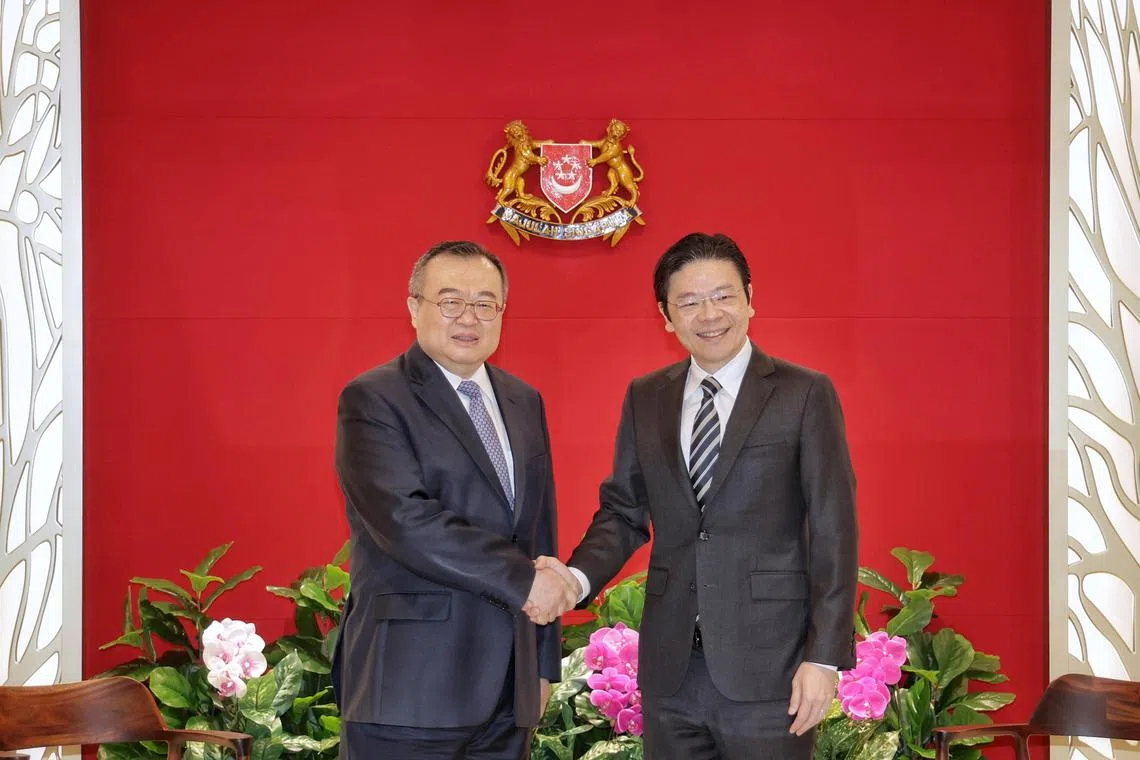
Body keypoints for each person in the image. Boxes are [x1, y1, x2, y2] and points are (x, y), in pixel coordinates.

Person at [544, 232, 858, 759]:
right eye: (688, 302)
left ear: (750, 298)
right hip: (672, 674)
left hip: (772, 671)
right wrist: (573, 580)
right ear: (666, 315)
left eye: (723, 295)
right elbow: (624, 511)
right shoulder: (647, 397)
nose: (709, 314)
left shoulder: (805, 393)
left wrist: (823, 660)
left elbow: (834, 530)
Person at [332, 240, 576, 760]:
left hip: (509, 694)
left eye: (486, 303)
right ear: (414, 307)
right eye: (450, 301)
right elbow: (406, 520)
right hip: (410, 689)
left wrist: (542, 664)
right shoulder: (374, 398)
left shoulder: (523, 400)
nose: (469, 317)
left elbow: (538, 533)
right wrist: (525, 580)